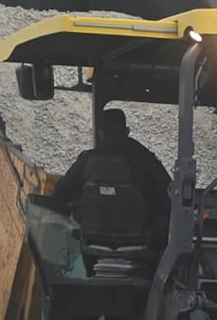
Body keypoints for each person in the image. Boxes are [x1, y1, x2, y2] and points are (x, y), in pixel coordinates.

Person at [51, 106, 174, 251]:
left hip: (91, 244)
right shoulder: (145, 159)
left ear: (100, 133)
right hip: (142, 245)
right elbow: (170, 197)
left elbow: (59, 197)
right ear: (127, 131)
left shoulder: (86, 161)